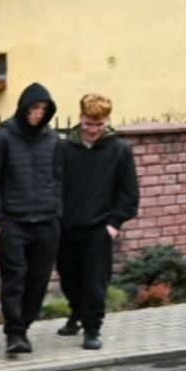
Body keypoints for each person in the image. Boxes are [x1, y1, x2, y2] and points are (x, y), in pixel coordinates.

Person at [57, 93, 139, 350]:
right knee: (68, 278)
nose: (93, 130)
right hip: (66, 227)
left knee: (94, 282)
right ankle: (76, 313)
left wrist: (114, 225)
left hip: (100, 229)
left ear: (107, 121)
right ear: (80, 117)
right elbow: (54, 185)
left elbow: (129, 193)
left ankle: (92, 329)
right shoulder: (63, 149)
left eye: (99, 124)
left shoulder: (119, 150)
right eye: (88, 124)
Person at [0, 82, 63, 355]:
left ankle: (26, 325)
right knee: (14, 277)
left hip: (46, 220)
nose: (39, 114)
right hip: (14, 221)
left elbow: (58, 178)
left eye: (44, 109)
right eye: (34, 108)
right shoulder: (3, 138)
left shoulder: (52, 139)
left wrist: (57, 212)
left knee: (39, 278)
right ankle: (15, 333)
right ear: (23, 108)